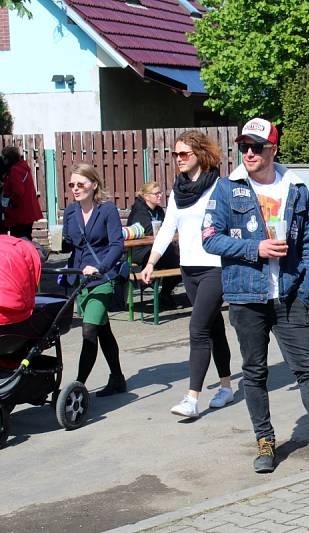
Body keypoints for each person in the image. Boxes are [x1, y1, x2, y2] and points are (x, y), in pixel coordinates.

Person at [202, 117, 309, 473]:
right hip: (247, 295)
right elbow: (210, 239)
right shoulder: (226, 188)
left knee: (307, 368)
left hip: (290, 294)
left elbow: (308, 241)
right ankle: (265, 441)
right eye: (243, 147)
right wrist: (255, 248)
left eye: (256, 147)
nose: (248, 153)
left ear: (273, 149)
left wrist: (305, 288)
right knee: (254, 371)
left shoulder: (295, 188)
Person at [141, 131, 234, 416]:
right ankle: (227, 387)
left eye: (184, 154)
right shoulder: (178, 191)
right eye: (175, 154)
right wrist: (151, 263)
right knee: (213, 326)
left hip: (214, 267)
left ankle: (191, 399)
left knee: (198, 328)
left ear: (200, 155)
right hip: (188, 268)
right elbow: (168, 228)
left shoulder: (219, 186)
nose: (178, 159)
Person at [62, 163, 127, 397]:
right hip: (80, 281)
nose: (75, 189)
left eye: (81, 184)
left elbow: (117, 245)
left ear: (94, 184)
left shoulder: (107, 210)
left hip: (103, 279)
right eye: (72, 185)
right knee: (103, 330)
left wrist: (100, 267)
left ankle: (77, 387)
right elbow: (70, 245)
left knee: (89, 330)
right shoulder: (70, 212)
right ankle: (117, 378)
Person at [126, 181, 181, 309]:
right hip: (138, 250)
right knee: (174, 260)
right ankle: (163, 294)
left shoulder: (158, 210)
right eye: (156, 193)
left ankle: (164, 293)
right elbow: (148, 231)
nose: (160, 196)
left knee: (180, 262)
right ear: (146, 196)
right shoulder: (139, 212)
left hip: (153, 248)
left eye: (160, 193)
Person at [1, 145, 42, 239]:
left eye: (4, 158)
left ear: (9, 158)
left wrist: (10, 203)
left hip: (20, 213)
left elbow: (18, 191)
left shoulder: (14, 170)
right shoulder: (23, 168)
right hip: (27, 211)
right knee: (26, 235)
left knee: (20, 239)